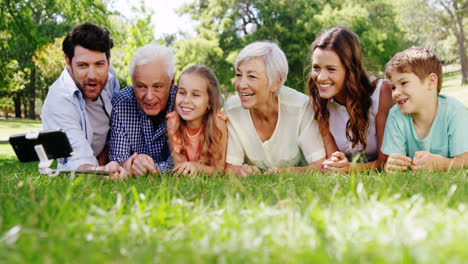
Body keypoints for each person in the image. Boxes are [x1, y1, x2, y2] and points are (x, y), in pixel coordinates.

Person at [224, 41, 326, 177]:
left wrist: (286, 172)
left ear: (276, 83)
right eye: (238, 75)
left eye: (251, 76)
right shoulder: (232, 109)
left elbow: (319, 165)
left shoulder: (301, 106)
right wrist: (241, 171)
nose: (241, 84)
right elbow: (231, 167)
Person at [42, 22, 127, 179]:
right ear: (68, 62)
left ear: (108, 61)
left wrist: (114, 158)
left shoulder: (110, 77)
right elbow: (78, 159)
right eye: (82, 65)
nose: (92, 75)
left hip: (107, 155)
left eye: (99, 64)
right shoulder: (59, 101)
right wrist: (103, 171)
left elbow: (117, 121)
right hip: (86, 159)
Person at [308, 26, 394, 173]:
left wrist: (351, 168)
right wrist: (336, 164)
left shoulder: (381, 92)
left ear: (350, 70)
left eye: (331, 69)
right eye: (316, 67)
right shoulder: (319, 99)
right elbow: (333, 159)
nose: (321, 77)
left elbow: (386, 161)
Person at [382, 47, 468, 172]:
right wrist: (391, 166)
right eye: (393, 87)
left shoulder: (454, 110)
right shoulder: (396, 115)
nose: (396, 93)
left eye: (404, 83)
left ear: (431, 82)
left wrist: (442, 164)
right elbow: (393, 161)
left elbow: (465, 160)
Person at [109, 44, 176, 177]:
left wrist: (147, 169)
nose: (149, 97)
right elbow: (118, 161)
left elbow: (186, 161)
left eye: (157, 86)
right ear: (132, 82)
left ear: (171, 83)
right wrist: (130, 164)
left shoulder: (183, 104)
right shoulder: (122, 104)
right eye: (141, 86)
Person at [166, 65, 228, 176]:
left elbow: (219, 169)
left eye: (195, 95)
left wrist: (196, 167)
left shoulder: (218, 122)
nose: (186, 100)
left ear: (210, 102)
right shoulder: (173, 121)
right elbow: (180, 167)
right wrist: (188, 168)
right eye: (182, 92)